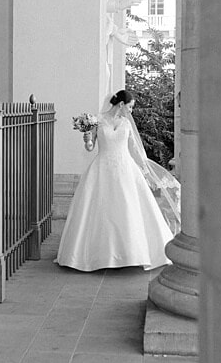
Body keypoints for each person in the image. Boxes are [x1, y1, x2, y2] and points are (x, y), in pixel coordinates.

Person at [56, 89, 181, 272]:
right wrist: (88, 140)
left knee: (128, 209)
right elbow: (90, 148)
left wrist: (145, 168)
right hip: (101, 168)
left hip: (125, 169)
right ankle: (97, 255)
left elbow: (135, 150)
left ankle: (130, 254)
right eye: (130, 107)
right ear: (121, 104)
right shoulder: (97, 120)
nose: (131, 111)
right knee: (101, 209)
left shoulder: (127, 124)